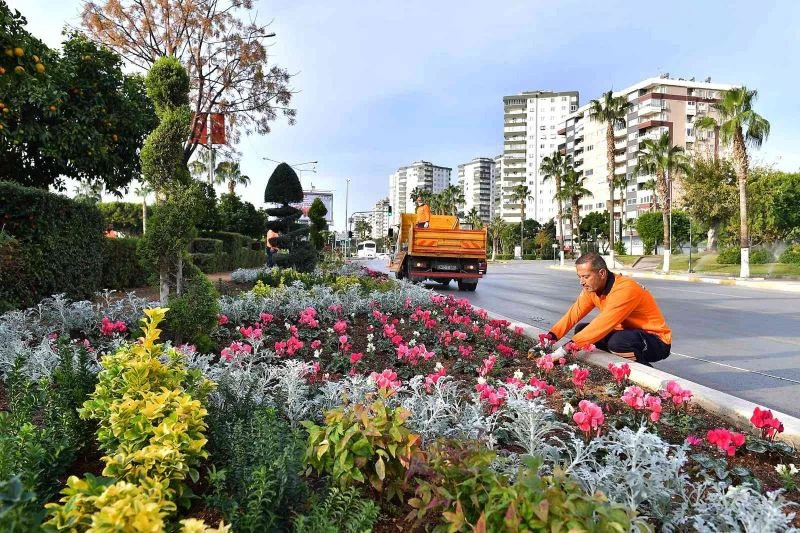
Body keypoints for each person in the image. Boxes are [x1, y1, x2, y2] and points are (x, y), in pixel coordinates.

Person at [544, 252, 671, 364]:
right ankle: (617, 358)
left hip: (656, 340)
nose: (581, 282)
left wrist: (563, 351)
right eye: (580, 277)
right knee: (581, 329)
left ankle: (646, 372)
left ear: (602, 273)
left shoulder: (625, 289)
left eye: (586, 277)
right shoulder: (592, 290)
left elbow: (602, 324)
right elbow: (572, 316)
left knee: (618, 342)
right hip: (626, 333)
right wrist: (546, 342)